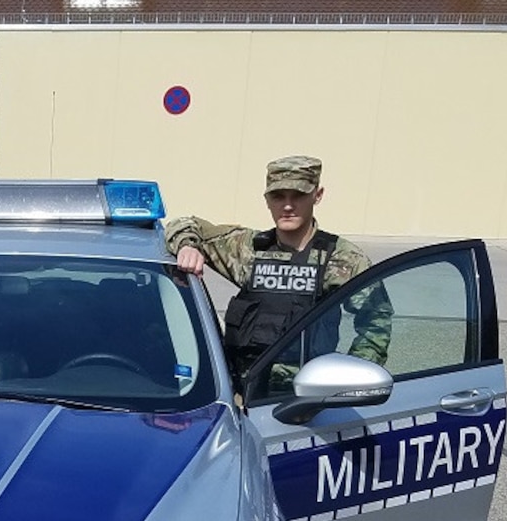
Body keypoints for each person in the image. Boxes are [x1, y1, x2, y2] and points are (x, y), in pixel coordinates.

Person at [164, 155, 390, 388]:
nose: (288, 206)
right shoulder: (246, 248)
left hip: (305, 402)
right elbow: (183, 224)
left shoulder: (344, 259)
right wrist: (187, 245)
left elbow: (376, 323)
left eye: (299, 196)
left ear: (318, 195)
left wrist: (348, 381)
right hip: (242, 395)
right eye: (278, 196)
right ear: (267, 199)